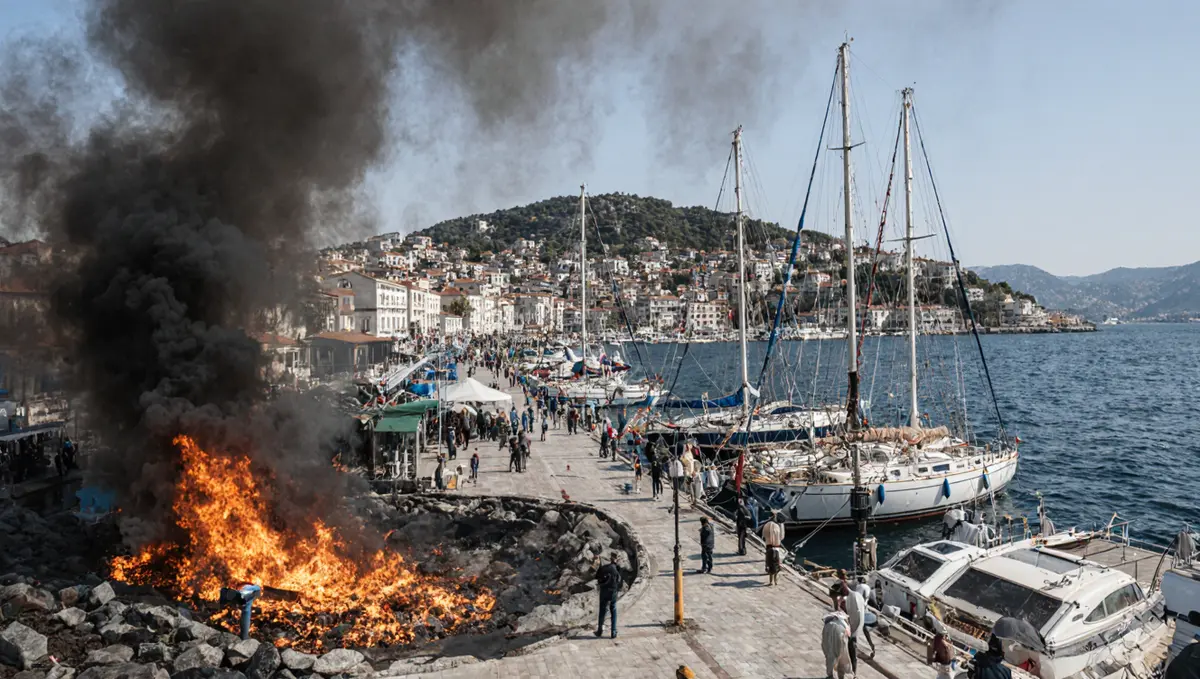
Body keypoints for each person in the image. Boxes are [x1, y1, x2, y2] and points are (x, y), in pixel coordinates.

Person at [594, 552, 621, 639]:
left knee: (602, 610)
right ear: (617, 560)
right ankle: (613, 632)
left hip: (604, 591)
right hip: (613, 592)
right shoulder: (617, 569)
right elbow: (619, 580)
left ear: (610, 558)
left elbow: (597, 576)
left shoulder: (604, 568)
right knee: (613, 610)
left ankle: (599, 631)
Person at [821, 611, 852, 679]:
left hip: (831, 633)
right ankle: (841, 676)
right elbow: (848, 635)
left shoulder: (828, 623)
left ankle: (830, 675)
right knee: (841, 657)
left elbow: (825, 641)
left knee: (830, 655)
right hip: (841, 634)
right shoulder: (844, 623)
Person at [762, 511, 784, 586]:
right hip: (776, 546)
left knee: (769, 561)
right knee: (776, 563)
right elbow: (781, 537)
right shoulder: (778, 526)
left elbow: (763, 536)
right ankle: (775, 580)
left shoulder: (766, 525)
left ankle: (768, 573)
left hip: (768, 546)